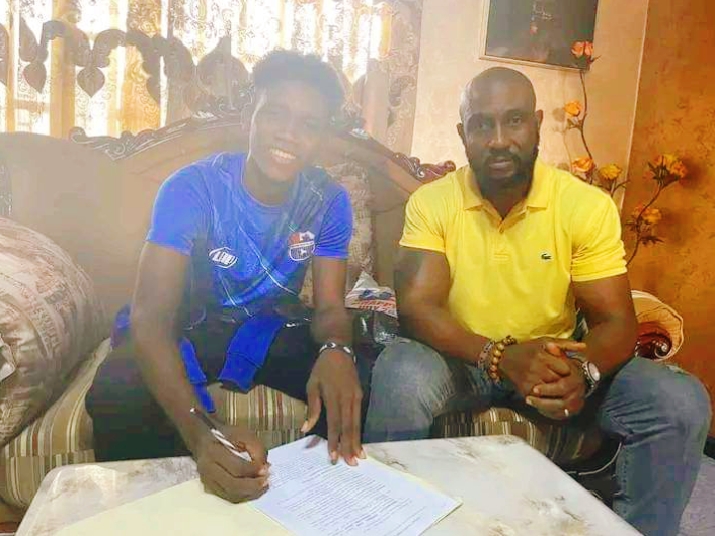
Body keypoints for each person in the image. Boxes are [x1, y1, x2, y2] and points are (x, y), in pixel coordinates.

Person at [363, 67, 711, 536]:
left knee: (680, 400)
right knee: (401, 371)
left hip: (555, 360)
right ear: (463, 134)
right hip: (462, 359)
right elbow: (417, 308)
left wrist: (582, 372)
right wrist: (499, 356)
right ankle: (386, 523)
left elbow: (616, 321)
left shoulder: (584, 205)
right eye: (482, 125)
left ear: (537, 123)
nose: (499, 140)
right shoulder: (433, 202)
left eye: (514, 120)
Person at [86, 50, 367, 504]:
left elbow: (331, 307)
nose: (289, 133)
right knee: (117, 389)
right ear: (248, 115)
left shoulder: (328, 200)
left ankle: (325, 510)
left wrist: (338, 348)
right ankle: (153, 515)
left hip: (267, 326)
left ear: (322, 139)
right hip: (192, 324)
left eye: (309, 124)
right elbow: (151, 318)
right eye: (275, 113)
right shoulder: (192, 187)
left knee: (356, 377)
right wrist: (202, 434)